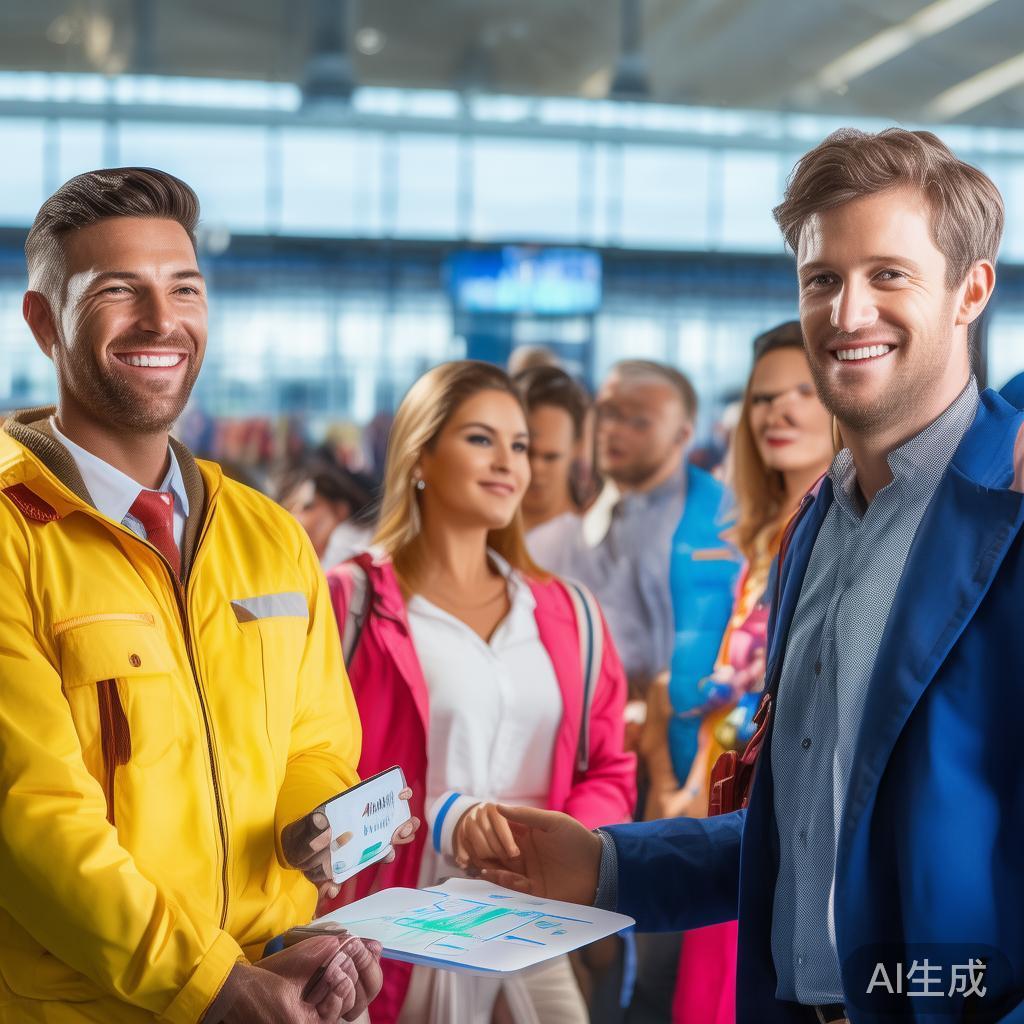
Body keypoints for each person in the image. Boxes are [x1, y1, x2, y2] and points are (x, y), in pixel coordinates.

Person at [466, 128, 1024, 1024]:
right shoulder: (819, 525)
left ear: (972, 291)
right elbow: (801, 834)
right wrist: (608, 866)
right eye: (822, 279)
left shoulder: (1009, 509)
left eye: (889, 274)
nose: (848, 313)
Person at [0, 167, 415, 1023]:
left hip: (272, 979)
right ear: (43, 322)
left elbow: (314, 742)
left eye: (184, 288)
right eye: (119, 290)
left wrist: (317, 830)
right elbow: (31, 821)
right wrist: (214, 986)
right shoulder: (13, 536)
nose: (163, 320)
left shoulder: (266, 533)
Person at [323, 361, 636, 1024]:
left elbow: (608, 766)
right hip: (387, 926)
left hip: (529, 922)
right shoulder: (349, 603)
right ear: (421, 456)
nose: (507, 463)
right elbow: (313, 775)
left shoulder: (572, 613)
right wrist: (444, 817)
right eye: (480, 439)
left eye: (519, 445)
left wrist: (571, 843)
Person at [662, 321, 834, 1024]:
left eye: (803, 392)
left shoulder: (848, 531)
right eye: (763, 398)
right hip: (730, 807)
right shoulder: (762, 539)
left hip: (793, 829)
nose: (777, 412)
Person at [562, 361, 735, 705]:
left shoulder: (730, 519)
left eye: (639, 421)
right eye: (607, 413)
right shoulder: (575, 517)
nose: (612, 430)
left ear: (682, 435)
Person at [513, 364, 589, 571]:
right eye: (524, 450)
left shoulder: (589, 546)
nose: (536, 467)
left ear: (577, 447)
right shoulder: (476, 530)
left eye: (551, 457)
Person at [280, 462, 376, 568]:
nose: (296, 517)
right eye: (290, 510)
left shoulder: (347, 542)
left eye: (307, 507)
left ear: (340, 510)